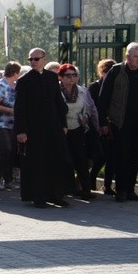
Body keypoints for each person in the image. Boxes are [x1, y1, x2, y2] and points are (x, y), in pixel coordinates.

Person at [14, 48, 70, 208]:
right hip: (33, 129)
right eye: (30, 59)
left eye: (36, 59)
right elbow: (20, 108)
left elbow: (59, 102)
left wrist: (63, 124)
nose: (33, 62)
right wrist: (21, 131)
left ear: (43, 59)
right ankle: (38, 196)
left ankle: (56, 195)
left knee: (55, 161)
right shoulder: (24, 81)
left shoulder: (52, 78)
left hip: (53, 126)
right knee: (37, 163)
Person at [97, 42, 138, 202]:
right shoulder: (116, 71)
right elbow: (103, 97)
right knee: (121, 154)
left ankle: (131, 190)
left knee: (135, 156)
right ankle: (121, 190)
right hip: (119, 122)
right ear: (127, 56)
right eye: (135, 57)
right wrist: (103, 122)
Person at [58, 63, 99, 201]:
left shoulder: (83, 91)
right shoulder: (56, 91)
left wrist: (86, 118)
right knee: (65, 160)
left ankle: (85, 190)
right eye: (68, 75)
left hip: (78, 128)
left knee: (81, 160)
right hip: (61, 130)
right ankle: (65, 189)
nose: (72, 78)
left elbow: (90, 108)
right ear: (61, 77)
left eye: (74, 75)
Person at [0, 61, 21, 190]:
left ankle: (8, 179)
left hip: (11, 124)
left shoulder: (15, 85)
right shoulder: (1, 86)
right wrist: (10, 110)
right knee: (5, 149)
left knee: (11, 151)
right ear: (15, 73)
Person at [87, 58, 116, 195]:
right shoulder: (94, 87)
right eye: (106, 71)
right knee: (101, 156)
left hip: (113, 125)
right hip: (98, 126)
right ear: (101, 72)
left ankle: (107, 185)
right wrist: (99, 124)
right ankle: (91, 178)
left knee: (112, 156)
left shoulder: (116, 87)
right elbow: (93, 108)